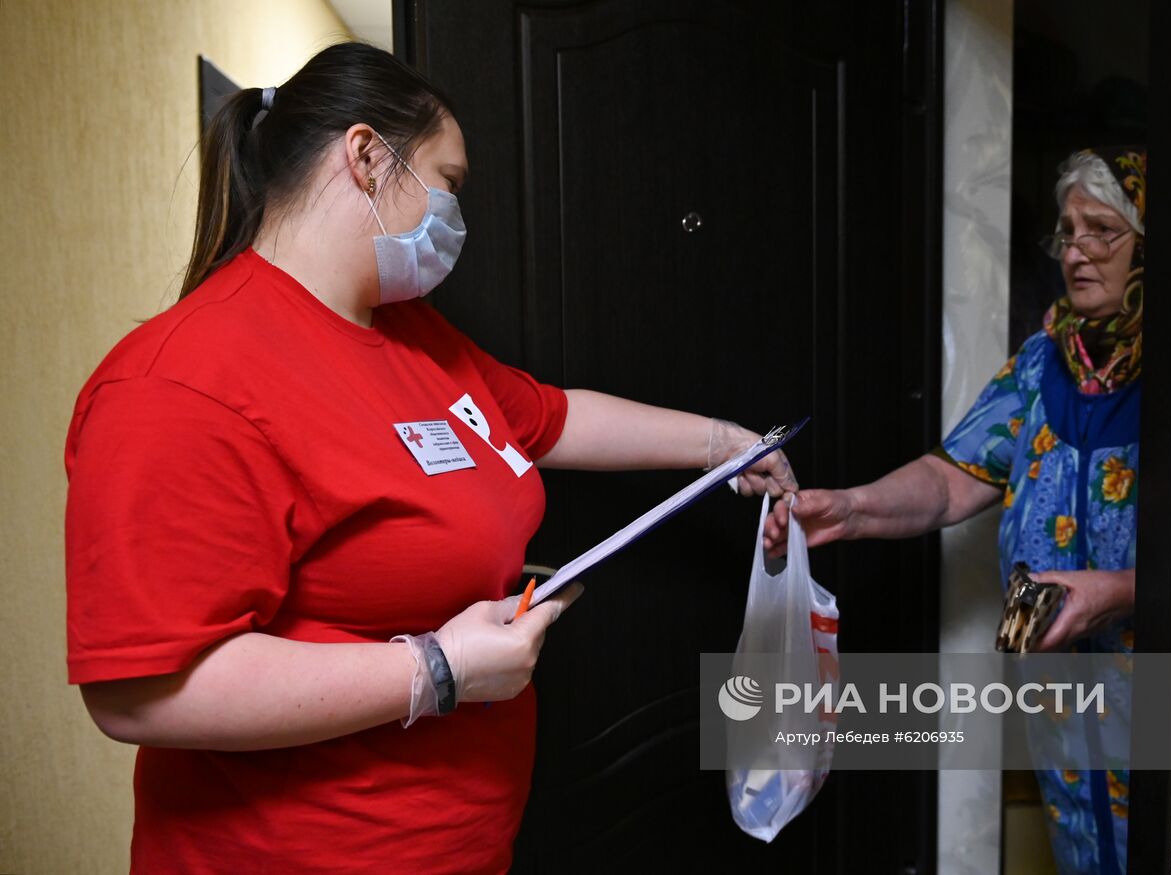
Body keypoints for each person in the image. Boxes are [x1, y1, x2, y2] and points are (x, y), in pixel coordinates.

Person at [65, 43, 795, 874]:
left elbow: (550, 419)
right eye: (449, 181)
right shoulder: (180, 383)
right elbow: (140, 692)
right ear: (369, 156)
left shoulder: (409, 332)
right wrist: (435, 671)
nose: (459, 217)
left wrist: (725, 446)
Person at [766, 146, 1146, 874]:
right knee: (1079, 848)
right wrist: (851, 508)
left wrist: (1119, 593)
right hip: (1055, 691)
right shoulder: (1042, 362)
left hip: (1156, 685)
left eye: (1102, 229)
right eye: (1068, 231)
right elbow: (951, 480)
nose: (1077, 251)